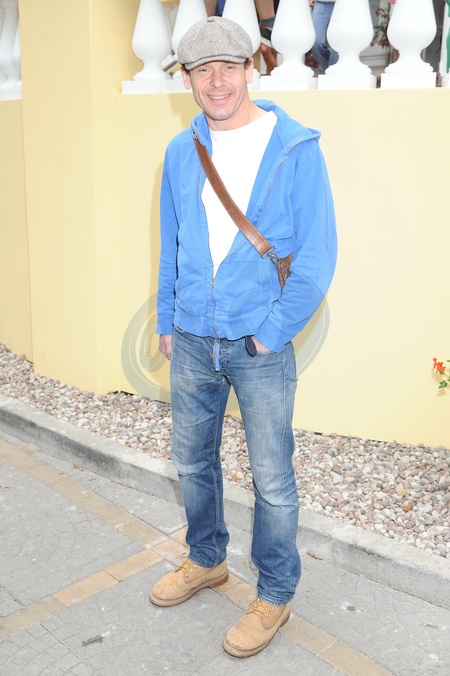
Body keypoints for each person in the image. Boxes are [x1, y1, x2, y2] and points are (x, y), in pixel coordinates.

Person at [150, 16, 337, 659]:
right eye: (202, 70)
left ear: (250, 69)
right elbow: (173, 243)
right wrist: (167, 319)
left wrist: (270, 334)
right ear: (188, 80)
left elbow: (316, 259)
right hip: (191, 337)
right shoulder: (181, 151)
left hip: (258, 342)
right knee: (191, 461)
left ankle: (275, 593)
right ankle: (206, 559)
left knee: (272, 478)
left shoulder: (296, 148)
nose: (216, 81)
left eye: (228, 67)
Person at [311, 0, 339, 70]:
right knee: (314, 41)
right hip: (321, 3)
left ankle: (333, 71)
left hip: (342, 4)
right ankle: (330, 69)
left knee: (338, 42)